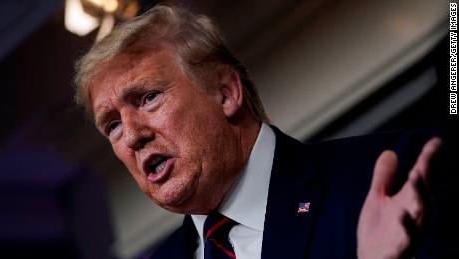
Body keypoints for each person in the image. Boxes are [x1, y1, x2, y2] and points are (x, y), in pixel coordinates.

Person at [74, 5, 445, 259]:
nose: (133, 135)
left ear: (226, 92)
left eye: (149, 97)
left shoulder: (386, 178)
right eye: (113, 125)